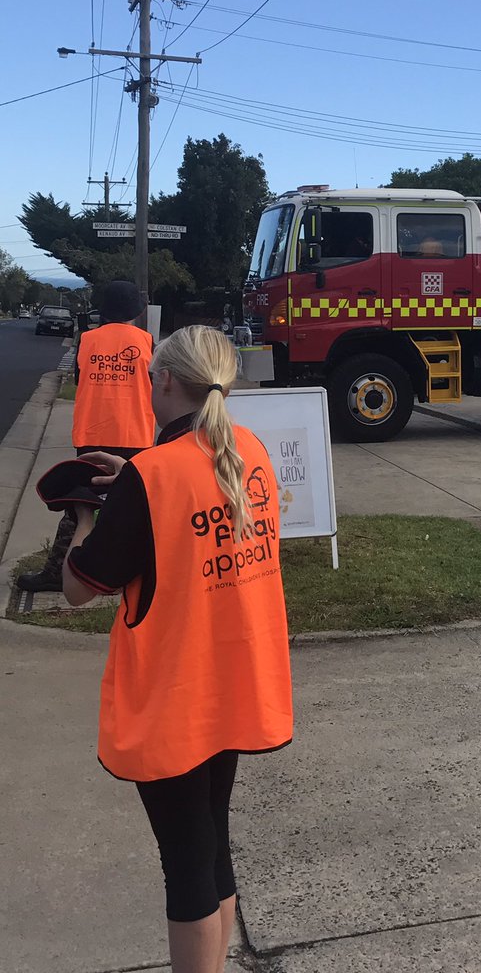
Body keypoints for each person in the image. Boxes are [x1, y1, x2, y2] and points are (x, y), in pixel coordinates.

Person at [61, 325, 293, 973]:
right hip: (235, 684)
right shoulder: (248, 449)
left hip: (175, 696)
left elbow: (79, 586)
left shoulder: (151, 476)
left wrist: (85, 514)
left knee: (187, 864)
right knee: (211, 848)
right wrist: (131, 479)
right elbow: (186, 501)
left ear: (163, 380)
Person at [19, 280, 155, 593]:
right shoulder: (147, 341)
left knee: (79, 503)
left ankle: (59, 570)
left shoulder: (88, 340)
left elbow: (81, 381)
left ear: (104, 310)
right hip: (135, 434)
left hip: (92, 433)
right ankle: (132, 572)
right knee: (132, 504)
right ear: (137, 311)